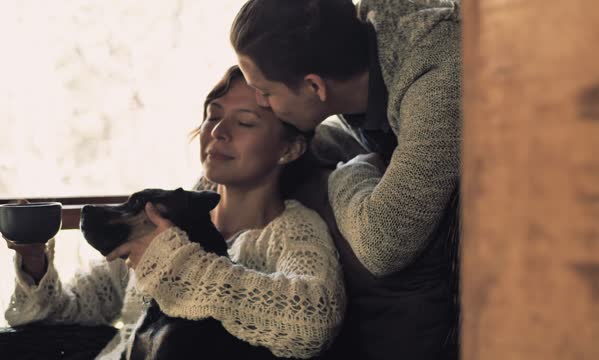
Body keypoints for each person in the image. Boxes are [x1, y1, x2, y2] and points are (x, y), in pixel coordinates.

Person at [3, 65, 346, 359]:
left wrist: (178, 265)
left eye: (244, 122)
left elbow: (312, 320)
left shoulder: (293, 231)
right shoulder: (166, 215)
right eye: (212, 116)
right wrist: (34, 260)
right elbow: (72, 309)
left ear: (290, 148)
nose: (217, 132)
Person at [230, 0, 461, 358]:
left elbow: (382, 243)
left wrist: (350, 171)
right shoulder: (361, 61)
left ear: (314, 87)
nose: (261, 102)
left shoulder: (436, 79)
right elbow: (343, 133)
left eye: (266, 92)